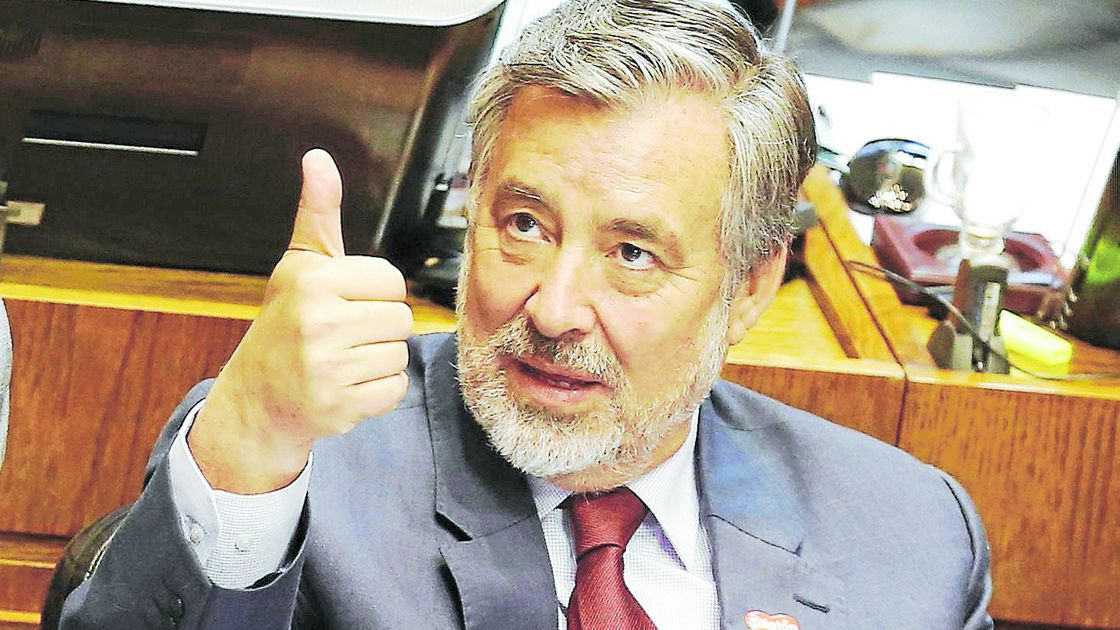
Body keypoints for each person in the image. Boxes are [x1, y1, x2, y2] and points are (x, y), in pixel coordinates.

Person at [60, 1, 992, 628]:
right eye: (523, 225)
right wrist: (251, 435)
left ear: (748, 287)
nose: (551, 308)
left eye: (631, 254)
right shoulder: (299, 463)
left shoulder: (910, 539)